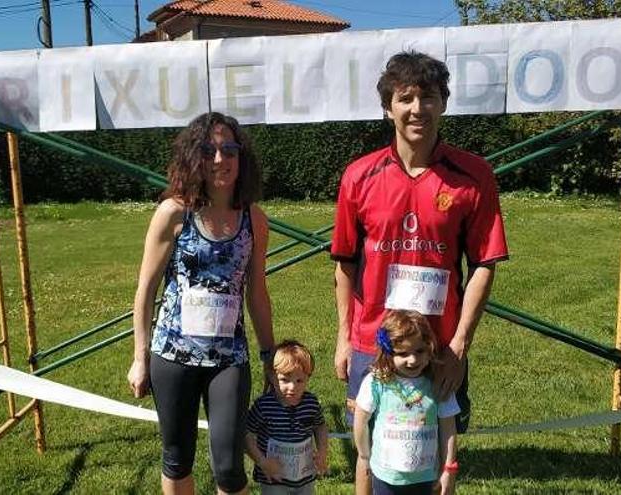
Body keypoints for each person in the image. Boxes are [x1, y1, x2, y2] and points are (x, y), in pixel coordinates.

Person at [330, 51, 508, 492]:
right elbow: (345, 264)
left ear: (443, 103)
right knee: (369, 450)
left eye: (427, 97)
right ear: (388, 106)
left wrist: (459, 344)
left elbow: (484, 263)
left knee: (436, 455)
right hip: (373, 343)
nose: (417, 109)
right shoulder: (358, 175)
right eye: (405, 97)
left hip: (438, 350)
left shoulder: (473, 175)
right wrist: (344, 338)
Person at [127, 112, 275, 495]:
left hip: (229, 359)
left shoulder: (254, 220)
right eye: (209, 150)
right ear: (195, 156)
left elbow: (257, 292)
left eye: (229, 150)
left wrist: (268, 355)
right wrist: (140, 356)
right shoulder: (174, 213)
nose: (219, 160)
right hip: (172, 356)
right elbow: (145, 292)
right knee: (177, 459)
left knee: (228, 466)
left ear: (241, 158)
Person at [353, 310, 458, 495]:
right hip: (386, 477)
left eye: (419, 351)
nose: (413, 360)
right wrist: (364, 455)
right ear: (389, 353)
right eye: (403, 353)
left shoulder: (437, 384)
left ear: (429, 347)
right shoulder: (377, 382)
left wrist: (448, 467)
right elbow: (361, 420)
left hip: (425, 478)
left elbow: (448, 428)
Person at [245, 340, 329, 494]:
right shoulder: (263, 406)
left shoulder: (310, 403)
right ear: (272, 376)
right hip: (273, 479)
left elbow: (320, 426)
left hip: (305, 477)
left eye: (299, 380)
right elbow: (247, 435)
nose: (292, 387)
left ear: (308, 378)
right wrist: (262, 462)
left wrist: (322, 451)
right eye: (284, 379)